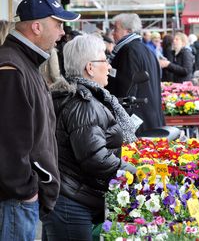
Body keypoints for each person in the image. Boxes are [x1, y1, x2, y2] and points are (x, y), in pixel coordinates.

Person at [41, 33, 136, 241]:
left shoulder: (81, 96)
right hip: (71, 203)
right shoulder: (83, 103)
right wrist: (129, 169)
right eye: (104, 59)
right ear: (90, 68)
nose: (109, 66)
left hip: (69, 197)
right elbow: (94, 157)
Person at [0, 0, 80, 240]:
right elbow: (10, 141)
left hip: (20, 198)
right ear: (37, 26)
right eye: (58, 24)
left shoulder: (23, 61)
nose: (62, 32)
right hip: (15, 200)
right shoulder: (11, 66)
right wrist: (26, 191)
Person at [106, 13, 165, 135]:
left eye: (116, 29)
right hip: (151, 119)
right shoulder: (146, 49)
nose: (112, 33)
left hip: (138, 124)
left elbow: (126, 92)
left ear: (128, 30)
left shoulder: (128, 51)